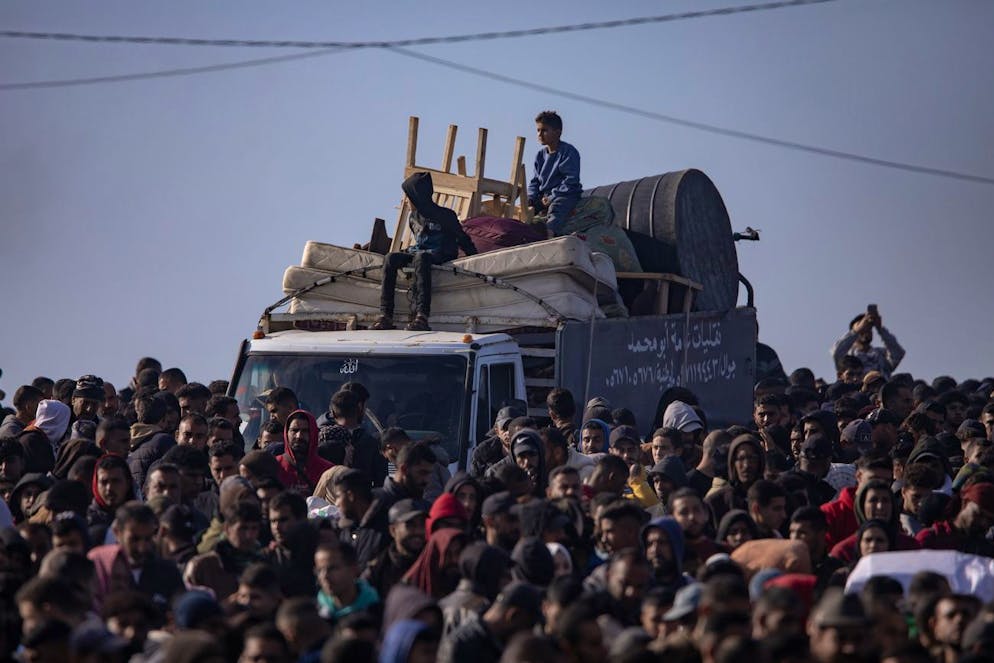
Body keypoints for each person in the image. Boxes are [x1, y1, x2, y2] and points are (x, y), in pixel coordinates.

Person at [373, 171, 478, 331]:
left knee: (421, 258)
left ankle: (422, 316)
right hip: (421, 251)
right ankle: (385, 315)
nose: (406, 201)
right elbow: (420, 242)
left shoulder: (445, 216)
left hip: (442, 252)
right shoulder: (413, 217)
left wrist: (475, 259)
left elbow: (463, 239)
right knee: (391, 258)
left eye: (408, 196)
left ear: (417, 196)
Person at [528, 110, 582, 237]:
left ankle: (549, 232)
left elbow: (570, 180)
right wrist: (531, 198)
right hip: (544, 196)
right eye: (538, 130)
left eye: (544, 130)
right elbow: (535, 181)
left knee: (557, 207)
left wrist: (552, 197)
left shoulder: (568, 152)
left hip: (565, 194)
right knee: (526, 211)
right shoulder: (540, 156)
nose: (540, 134)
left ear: (558, 132)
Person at [831, 308, 905, 379]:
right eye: (863, 328)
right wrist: (857, 330)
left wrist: (880, 329)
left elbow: (898, 353)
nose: (866, 331)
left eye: (868, 328)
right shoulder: (847, 356)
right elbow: (836, 353)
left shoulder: (881, 354)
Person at [277, 410, 333, 495]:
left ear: (313, 433)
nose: (299, 436)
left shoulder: (327, 471)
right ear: (286, 433)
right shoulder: (274, 465)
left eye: (305, 431)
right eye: (294, 430)